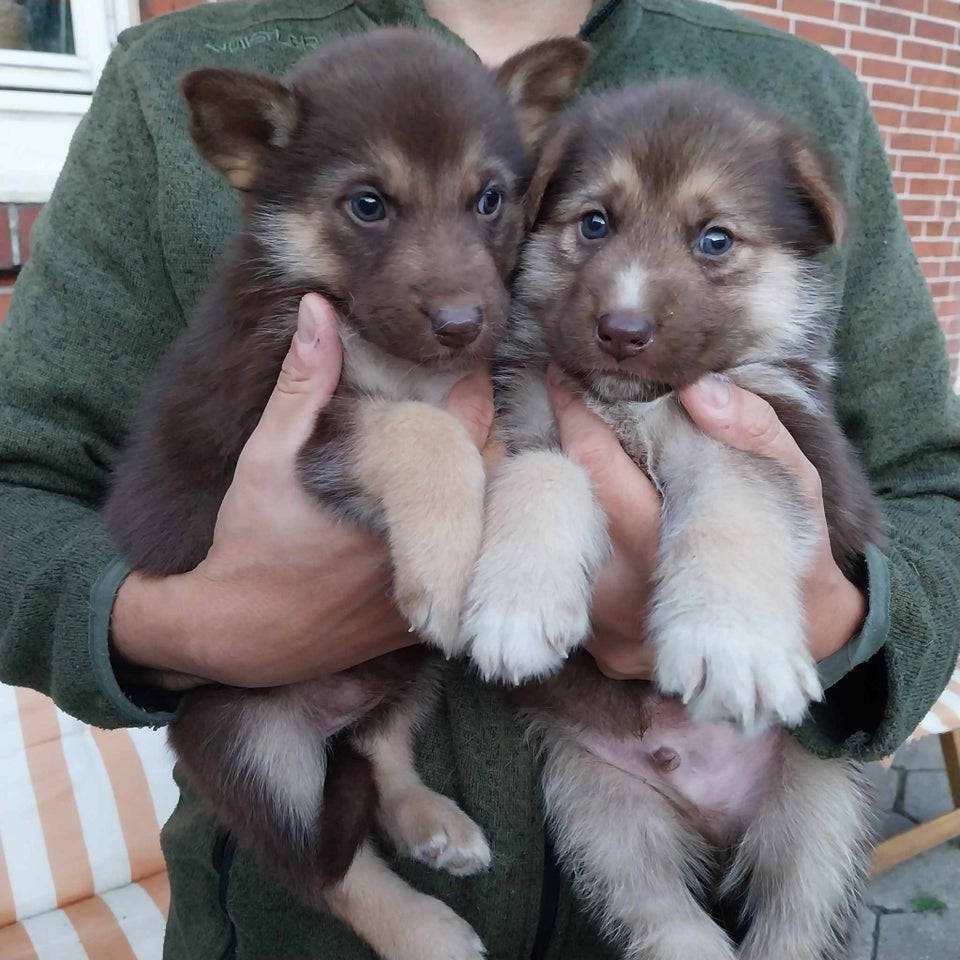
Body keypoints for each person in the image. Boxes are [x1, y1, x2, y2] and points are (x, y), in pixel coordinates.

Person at [0, 0, 957, 957]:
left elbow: (929, 486)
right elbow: (22, 477)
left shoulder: (804, 96)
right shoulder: (173, 74)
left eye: (715, 243)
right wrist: (184, 630)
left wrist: (840, 624)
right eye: (586, 223)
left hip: (764, 766)